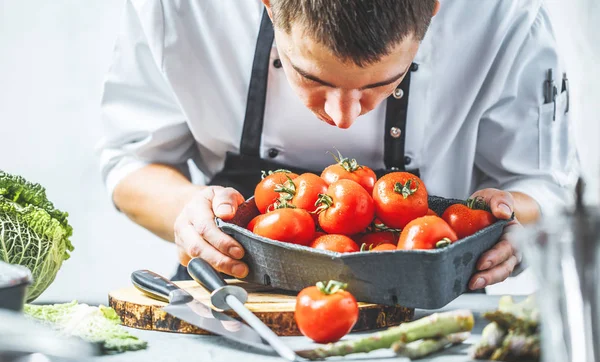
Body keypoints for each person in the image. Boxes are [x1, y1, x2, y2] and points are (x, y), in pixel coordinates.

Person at [97, 0, 579, 291]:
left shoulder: (503, 16)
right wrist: (189, 214)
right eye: (310, 76)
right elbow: (131, 159)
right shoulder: (185, 9)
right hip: (232, 299)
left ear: (433, 8)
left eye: (381, 83)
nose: (342, 118)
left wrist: (513, 220)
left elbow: (544, 181)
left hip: (430, 303)